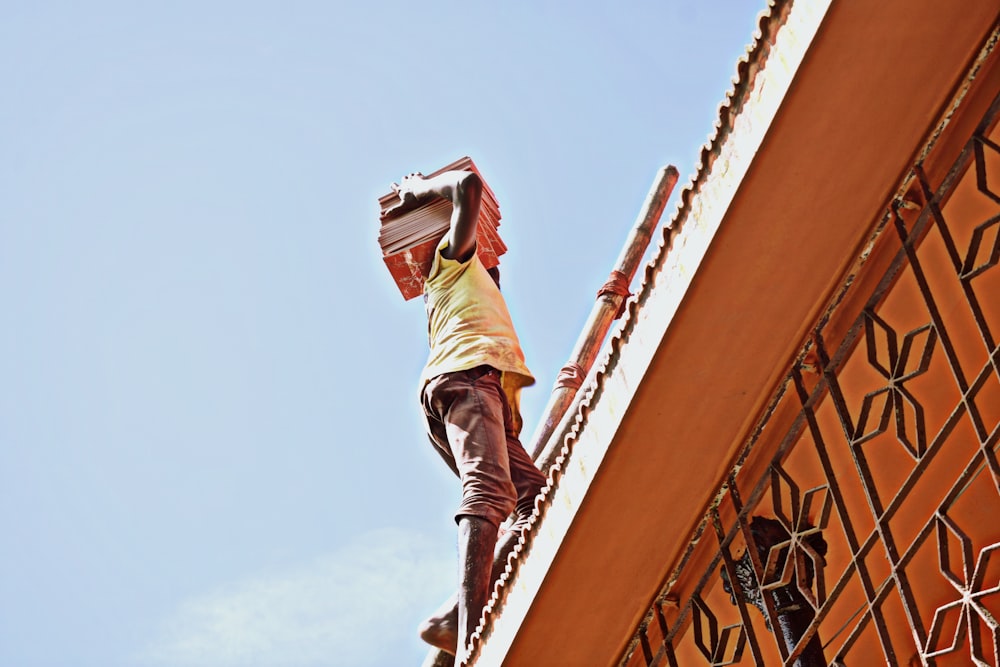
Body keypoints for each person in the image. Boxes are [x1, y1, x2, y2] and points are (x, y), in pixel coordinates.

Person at [383, 169, 547, 664]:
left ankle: (455, 618)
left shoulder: (472, 280)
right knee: (490, 492)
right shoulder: (450, 264)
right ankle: (475, 636)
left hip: (477, 387)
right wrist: (419, 190)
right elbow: (468, 189)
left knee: (533, 501)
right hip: (465, 380)